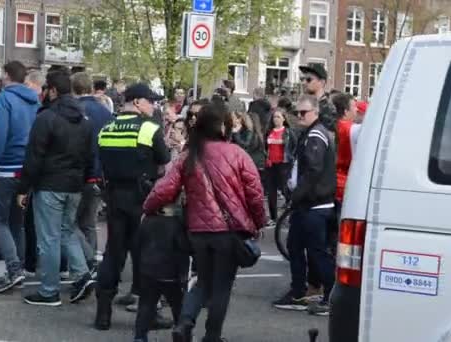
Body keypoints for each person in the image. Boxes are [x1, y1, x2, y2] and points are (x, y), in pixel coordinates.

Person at [143, 102, 266, 342]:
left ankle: (185, 322)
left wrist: (147, 208)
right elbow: (255, 193)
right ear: (224, 126)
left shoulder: (190, 155)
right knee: (221, 286)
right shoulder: (237, 154)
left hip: (198, 231)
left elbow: (164, 189)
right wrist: (259, 222)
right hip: (228, 233)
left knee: (202, 282)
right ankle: (212, 336)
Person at [94, 83, 171, 331]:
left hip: (114, 198)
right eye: (150, 101)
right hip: (142, 200)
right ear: (137, 102)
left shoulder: (107, 128)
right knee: (147, 256)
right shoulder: (149, 128)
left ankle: (103, 314)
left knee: (113, 254)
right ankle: (148, 315)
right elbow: (164, 160)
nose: (154, 105)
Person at [16, 69, 95, 306]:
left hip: (50, 184)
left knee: (48, 238)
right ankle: (82, 275)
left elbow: (34, 156)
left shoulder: (46, 118)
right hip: (74, 185)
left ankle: (49, 290)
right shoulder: (84, 120)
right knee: (67, 231)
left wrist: (23, 188)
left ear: (51, 90)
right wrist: (85, 181)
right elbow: (90, 155)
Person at [273, 95, 336, 316]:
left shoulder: (316, 136)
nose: (299, 116)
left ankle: (330, 295)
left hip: (313, 205)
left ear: (316, 113)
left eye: (304, 113)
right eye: (298, 112)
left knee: (316, 252)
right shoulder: (311, 134)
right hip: (309, 204)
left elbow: (313, 171)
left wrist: (296, 195)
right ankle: (299, 292)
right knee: (296, 246)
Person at [0, 61, 39, 293]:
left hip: (6, 166)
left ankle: (13, 270)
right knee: (18, 222)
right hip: (26, 167)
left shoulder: (4, 100)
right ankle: (21, 268)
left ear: (7, 75)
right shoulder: (35, 101)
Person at [72, 72, 112, 274]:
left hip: (78, 174)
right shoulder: (105, 112)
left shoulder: (75, 110)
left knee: (69, 223)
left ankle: (81, 260)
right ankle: (91, 262)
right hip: (99, 173)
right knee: (89, 222)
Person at [133, 205, 189, 342]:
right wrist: (184, 274)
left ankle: (140, 337)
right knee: (178, 306)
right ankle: (181, 335)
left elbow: (136, 247)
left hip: (148, 271)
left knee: (146, 305)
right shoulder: (177, 224)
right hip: (171, 274)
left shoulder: (147, 221)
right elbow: (183, 250)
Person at [264, 109, 296, 225]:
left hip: (283, 165)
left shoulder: (288, 132)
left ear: (283, 118)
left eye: (278, 117)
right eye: (274, 117)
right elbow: (265, 147)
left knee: (285, 190)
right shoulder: (269, 132)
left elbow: (294, 147)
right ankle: (273, 217)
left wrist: (291, 159)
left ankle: (290, 214)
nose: (276, 119)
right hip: (271, 165)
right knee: (271, 192)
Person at [299, 64, 336, 131]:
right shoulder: (304, 104)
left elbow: (325, 137)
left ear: (322, 82)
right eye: (302, 79)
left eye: (308, 79)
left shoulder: (328, 108)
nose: (303, 82)